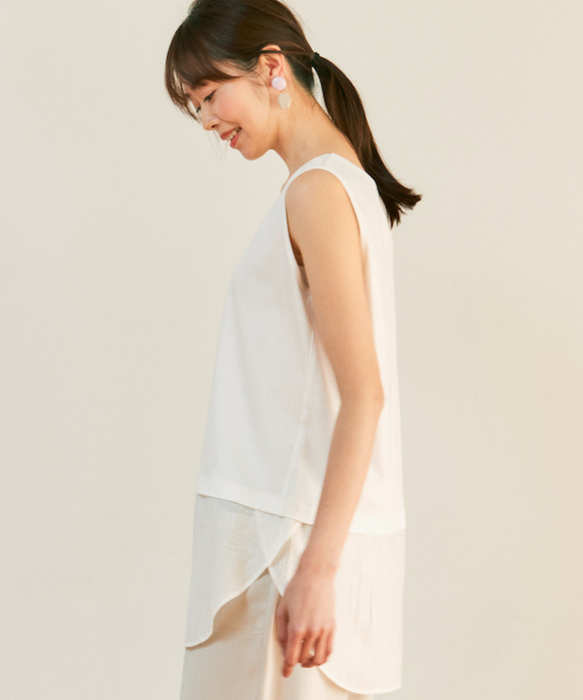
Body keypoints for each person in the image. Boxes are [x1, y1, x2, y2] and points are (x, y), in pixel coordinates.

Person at [164, 1, 422, 698]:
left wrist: (316, 571)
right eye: (194, 106)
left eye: (210, 94)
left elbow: (363, 395)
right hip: (283, 543)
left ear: (270, 66)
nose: (206, 119)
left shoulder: (317, 192)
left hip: (279, 549)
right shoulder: (338, 184)